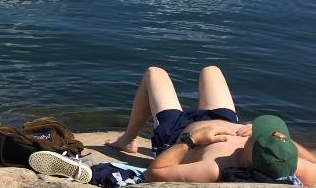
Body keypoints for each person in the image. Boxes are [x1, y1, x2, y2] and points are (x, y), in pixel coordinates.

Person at [105, 66, 316, 184]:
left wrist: (191, 141)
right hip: (226, 121)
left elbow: (155, 173)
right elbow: (313, 161)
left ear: (251, 151)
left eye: (256, 138)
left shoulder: (215, 168)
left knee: (154, 73)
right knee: (211, 70)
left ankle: (128, 139)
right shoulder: (290, 165)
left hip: (178, 133)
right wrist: (279, 141)